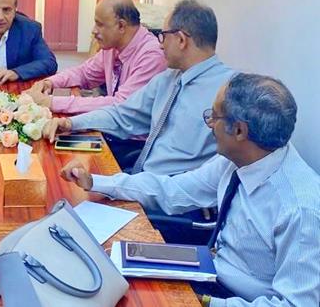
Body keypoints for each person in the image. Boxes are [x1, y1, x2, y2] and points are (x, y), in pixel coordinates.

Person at [60, 74, 320, 307]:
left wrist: (206, 302)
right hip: (209, 270)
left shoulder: (300, 209)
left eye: (214, 116)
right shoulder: (239, 160)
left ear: (240, 130)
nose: (209, 124)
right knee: (106, 273)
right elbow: (173, 190)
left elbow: (296, 304)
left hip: (234, 298)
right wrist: (96, 182)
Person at [44, 0, 234, 176]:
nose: (160, 45)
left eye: (163, 36)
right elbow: (122, 114)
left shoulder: (230, 92)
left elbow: (196, 182)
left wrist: (106, 184)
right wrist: (71, 123)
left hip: (169, 192)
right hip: (142, 179)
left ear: (181, 40)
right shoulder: (169, 79)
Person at [26, 0, 166, 114]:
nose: (94, 31)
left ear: (121, 26)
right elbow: (84, 73)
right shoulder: (113, 46)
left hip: (134, 135)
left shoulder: (152, 55)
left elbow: (121, 105)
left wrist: (51, 102)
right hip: (112, 126)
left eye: (100, 24)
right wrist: (50, 82)